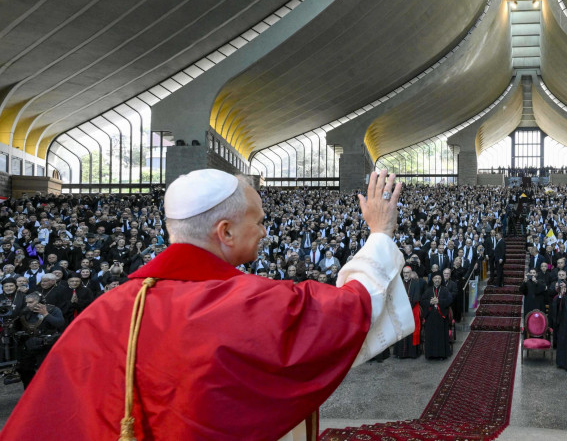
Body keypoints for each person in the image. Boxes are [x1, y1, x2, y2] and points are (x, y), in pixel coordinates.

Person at [1, 169, 413, 441]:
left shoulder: (106, 313)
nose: (266, 231)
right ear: (226, 231)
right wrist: (379, 232)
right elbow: (352, 309)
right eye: (259, 220)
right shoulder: (252, 304)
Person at [12, 292, 65, 388]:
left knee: (47, 372)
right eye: (27, 302)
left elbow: (60, 324)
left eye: (31, 302)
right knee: (24, 370)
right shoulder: (25, 311)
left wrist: (46, 314)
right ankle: (29, 392)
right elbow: (16, 327)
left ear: (39, 301)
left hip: (46, 345)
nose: (28, 305)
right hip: (29, 344)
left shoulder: (53, 310)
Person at [394, 265, 424, 359]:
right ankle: (401, 353)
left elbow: (416, 297)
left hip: (411, 311)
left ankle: (412, 353)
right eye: (404, 273)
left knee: (411, 332)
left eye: (407, 272)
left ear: (411, 273)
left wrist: (407, 306)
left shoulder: (415, 283)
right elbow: (395, 298)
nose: (406, 274)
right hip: (401, 312)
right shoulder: (399, 284)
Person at [422, 273, 453, 360]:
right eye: (435, 278)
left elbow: (450, 300)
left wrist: (439, 301)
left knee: (441, 336)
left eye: (439, 278)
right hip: (430, 317)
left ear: (441, 280)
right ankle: (430, 354)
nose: (437, 280)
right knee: (430, 336)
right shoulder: (428, 290)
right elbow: (422, 301)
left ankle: (441, 355)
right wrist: (430, 302)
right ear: (432, 280)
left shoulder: (445, 290)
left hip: (441, 318)